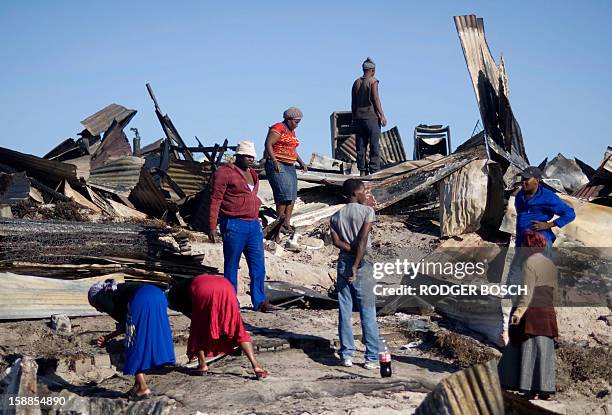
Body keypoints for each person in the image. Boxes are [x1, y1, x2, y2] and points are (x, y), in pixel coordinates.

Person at [208, 140, 278, 312]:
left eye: (252, 157)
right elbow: (215, 199)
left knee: (258, 265)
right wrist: (211, 225)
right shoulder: (224, 173)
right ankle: (231, 302)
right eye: (246, 156)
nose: (250, 159)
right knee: (232, 265)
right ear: (238, 156)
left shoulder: (253, 174)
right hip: (233, 224)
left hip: (253, 225)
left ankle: (260, 301)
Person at [88, 279, 175, 400]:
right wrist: (108, 337)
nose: (98, 309)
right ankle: (137, 385)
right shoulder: (120, 290)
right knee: (144, 339)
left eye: (94, 305)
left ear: (94, 298)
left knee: (132, 343)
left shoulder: (101, 297)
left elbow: (125, 324)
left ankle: (143, 388)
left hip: (142, 299)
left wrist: (107, 338)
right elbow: (126, 321)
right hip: (158, 295)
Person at [166, 274, 268, 379]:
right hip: (226, 286)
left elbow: (193, 316)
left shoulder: (174, 296)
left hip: (203, 289)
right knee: (237, 328)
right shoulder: (187, 283)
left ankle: (202, 365)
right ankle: (256, 366)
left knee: (198, 329)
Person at [498, 231, 559, 399]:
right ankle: (545, 390)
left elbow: (527, 292)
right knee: (544, 350)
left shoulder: (529, 263)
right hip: (547, 311)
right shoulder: (550, 264)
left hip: (531, 312)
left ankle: (528, 388)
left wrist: (518, 313)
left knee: (528, 348)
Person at [329, 178, 380, 369]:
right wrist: (356, 263)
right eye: (363, 192)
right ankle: (372, 357)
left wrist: (349, 255)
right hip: (362, 264)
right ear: (355, 194)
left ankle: (347, 355)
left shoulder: (335, 216)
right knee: (368, 311)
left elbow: (336, 243)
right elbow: (363, 238)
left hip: (343, 261)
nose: (366, 195)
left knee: (344, 310)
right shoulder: (367, 212)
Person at [264, 107, 308, 233]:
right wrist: (274, 161)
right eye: (296, 122)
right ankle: (280, 222)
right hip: (278, 163)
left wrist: (301, 162)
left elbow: (292, 150)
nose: (297, 125)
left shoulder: (291, 132)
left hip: (289, 165)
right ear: (288, 119)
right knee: (283, 193)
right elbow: (268, 144)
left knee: (292, 195)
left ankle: (287, 223)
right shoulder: (278, 128)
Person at [515, 166, 576, 249]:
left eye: (526, 179)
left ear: (537, 180)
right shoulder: (520, 195)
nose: (523, 182)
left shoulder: (548, 197)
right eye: (522, 179)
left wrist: (548, 225)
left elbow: (570, 213)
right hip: (521, 242)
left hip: (539, 242)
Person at [351, 57, 387, 176]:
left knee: (361, 146)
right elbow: (375, 98)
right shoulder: (373, 81)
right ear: (373, 70)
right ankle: (374, 170)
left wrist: (354, 117)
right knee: (374, 145)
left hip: (359, 119)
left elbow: (353, 103)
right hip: (371, 118)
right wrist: (382, 115)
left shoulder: (356, 82)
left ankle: (362, 170)